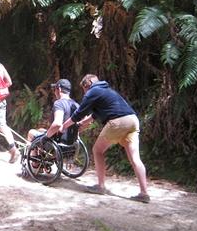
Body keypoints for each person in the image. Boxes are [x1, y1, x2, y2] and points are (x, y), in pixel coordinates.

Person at [61, 74, 150, 203]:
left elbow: (79, 113)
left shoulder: (93, 91)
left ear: (89, 83)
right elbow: (93, 116)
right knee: (135, 159)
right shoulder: (107, 91)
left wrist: (63, 127)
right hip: (133, 120)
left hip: (119, 121)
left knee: (97, 150)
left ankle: (101, 186)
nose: (85, 92)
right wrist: (81, 125)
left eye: (84, 88)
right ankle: (144, 193)